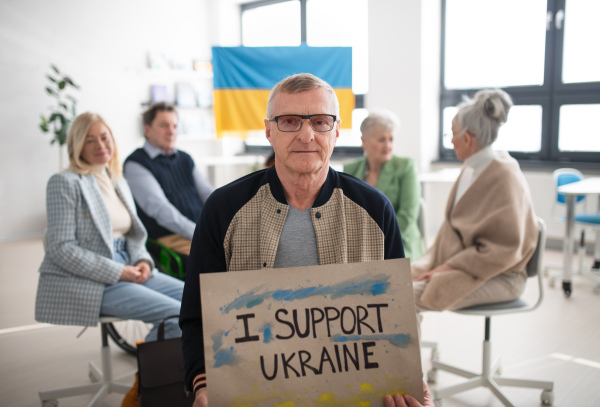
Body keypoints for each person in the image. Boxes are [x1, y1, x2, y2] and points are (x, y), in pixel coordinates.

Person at [179, 73, 432, 407]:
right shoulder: (223, 210)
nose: (306, 134)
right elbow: (197, 317)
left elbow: (394, 315)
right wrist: (203, 386)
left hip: (352, 393)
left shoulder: (374, 210)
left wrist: (409, 378)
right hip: (253, 390)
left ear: (337, 130)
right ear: (268, 130)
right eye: (289, 121)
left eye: (320, 122)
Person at [34, 112, 185, 406]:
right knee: (175, 315)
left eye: (104, 137)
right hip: (92, 276)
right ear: (76, 145)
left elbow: (134, 234)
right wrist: (119, 271)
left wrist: (142, 260)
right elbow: (61, 249)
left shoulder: (116, 179)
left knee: (194, 300)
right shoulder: (64, 182)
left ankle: (168, 379)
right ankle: (145, 388)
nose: (99, 145)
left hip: (128, 263)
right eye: (89, 140)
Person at [411, 89, 538, 314]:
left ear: (467, 138)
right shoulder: (472, 166)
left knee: (405, 298)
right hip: (465, 264)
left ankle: (407, 349)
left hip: (500, 275)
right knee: (396, 283)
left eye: (452, 135)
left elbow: (504, 249)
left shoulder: (505, 176)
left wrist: (446, 268)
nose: (450, 142)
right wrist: (439, 264)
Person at [123, 102, 214, 272]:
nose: (171, 131)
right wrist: (199, 233)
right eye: (164, 125)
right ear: (147, 130)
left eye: (174, 125)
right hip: (170, 236)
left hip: (198, 230)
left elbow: (209, 194)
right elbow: (160, 210)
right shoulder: (136, 164)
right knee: (217, 260)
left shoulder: (185, 158)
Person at [343, 109, 422, 260]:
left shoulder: (406, 166)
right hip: (359, 248)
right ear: (364, 141)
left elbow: (407, 216)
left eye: (391, 139)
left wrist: (372, 243)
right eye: (381, 139)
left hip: (399, 244)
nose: (388, 145)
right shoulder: (350, 170)